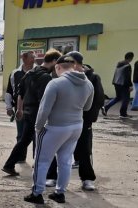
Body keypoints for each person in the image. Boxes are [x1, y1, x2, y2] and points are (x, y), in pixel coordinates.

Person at [24, 54, 94, 204]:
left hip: (55, 127)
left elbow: (44, 110)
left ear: (58, 67)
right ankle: (60, 192)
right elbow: (87, 107)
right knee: (65, 160)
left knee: (41, 161)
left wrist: (38, 128)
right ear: (74, 66)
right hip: (76, 126)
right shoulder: (88, 83)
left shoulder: (55, 83)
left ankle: (37, 193)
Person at [44, 52, 106, 191]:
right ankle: (52, 177)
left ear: (77, 64)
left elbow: (98, 100)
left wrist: (89, 119)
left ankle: (87, 179)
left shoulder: (92, 78)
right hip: (63, 121)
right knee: (57, 150)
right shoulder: (60, 78)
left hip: (83, 122)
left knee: (84, 151)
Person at [2, 49, 61, 176]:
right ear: (54, 61)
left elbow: (20, 94)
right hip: (37, 113)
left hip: (28, 112)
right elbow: (44, 100)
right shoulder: (45, 77)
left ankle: (9, 165)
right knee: (44, 141)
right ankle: (48, 173)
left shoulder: (30, 73)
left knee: (24, 140)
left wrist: (20, 109)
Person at [5, 51, 35, 161]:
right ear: (24, 59)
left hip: (34, 108)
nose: (34, 59)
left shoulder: (37, 72)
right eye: (32, 57)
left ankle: (36, 158)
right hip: (19, 108)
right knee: (21, 134)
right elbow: (9, 91)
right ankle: (20, 157)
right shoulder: (15, 73)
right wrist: (9, 107)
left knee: (35, 135)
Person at [103, 52, 134, 118]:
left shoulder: (119, 64)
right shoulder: (127, 65)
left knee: (118, 97)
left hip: (116, 83)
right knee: (126, 99)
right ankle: (123, 114)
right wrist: (130, 85)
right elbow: (127, 77)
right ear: (131, 58)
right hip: (123, 84)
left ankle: (106, 107)